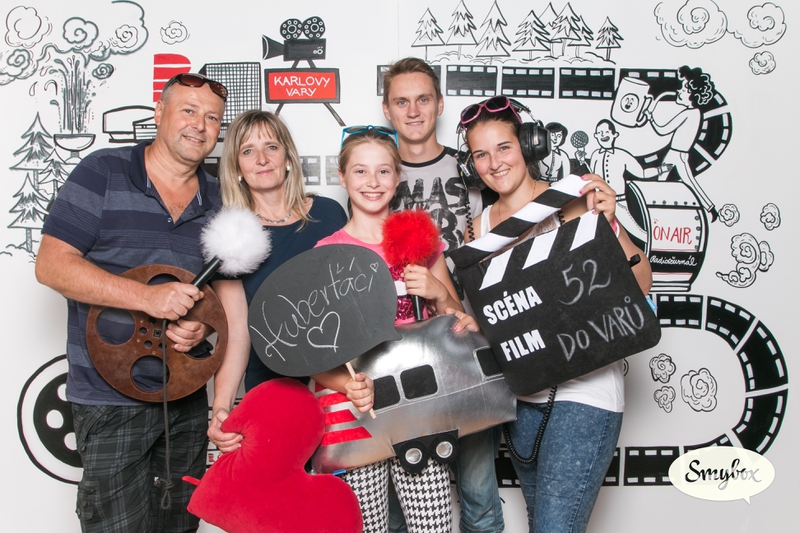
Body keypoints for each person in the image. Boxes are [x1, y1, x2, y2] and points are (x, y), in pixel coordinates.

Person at [35, 72, 228, 532]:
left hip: (184, 401)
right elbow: (52, 266)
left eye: (212, 118)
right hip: (109, 399)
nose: (199, 126)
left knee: (179, 525)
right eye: (188, 111)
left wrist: (200, 327)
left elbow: (217, 298)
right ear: (159, 113)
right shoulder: (103, 172)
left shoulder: (218, 200)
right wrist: (146, 298)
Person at [459, 96, 652, 533]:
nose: (494, 163)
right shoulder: (479, 229)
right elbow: (493, 319)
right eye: (481, 154)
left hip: (586, 391)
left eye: (504, 147)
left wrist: (611, 224)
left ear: (528, 145)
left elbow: (640, 283)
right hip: (523, 399)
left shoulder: (572, 201)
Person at [315, 127, 477, 533]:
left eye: (383, 171)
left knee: (431, 526)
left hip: (419, 403)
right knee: (363, 525)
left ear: (398, 177)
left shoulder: (421, 241)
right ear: (342, 176)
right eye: (360, 171)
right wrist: (345, 385)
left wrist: (440, 292)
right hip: (355, 409)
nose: (372, 182)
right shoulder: (326, 253)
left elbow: (457, 323)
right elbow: (312, 352)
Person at [382, 56, 504, 533]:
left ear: (439, 104)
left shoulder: (474, 167)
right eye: (401, 102)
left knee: (478, 491)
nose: (413, 111)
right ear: (387, 110)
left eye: (423, 99)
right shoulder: (378, 173)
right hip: (399, 356)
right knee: (400, 502)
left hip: (467, 345)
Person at [205, 110, 360, 455]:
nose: (262, 159)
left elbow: (353, 304)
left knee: (339, 485)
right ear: (236, 167)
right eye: (248, 151)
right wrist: (221, 407)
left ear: (288, 157)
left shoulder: (329, 215)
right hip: (273, 390)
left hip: (340, 387)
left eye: (271, 147)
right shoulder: (231, 237)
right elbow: (237, 332)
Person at [644, 65, 718, 221]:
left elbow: (663, 130)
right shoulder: (695, 113)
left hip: (677, 154)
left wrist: (650, 117)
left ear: (692, 95)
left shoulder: (689, 113)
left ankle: (658, 212)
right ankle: (709, 208)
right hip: (677, 154)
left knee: (679, 182)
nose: (679, 91)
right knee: (668, 181)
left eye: (684, 89)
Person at [589, 119, 672, 244]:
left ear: (614, 135)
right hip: (598, 204)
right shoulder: (595, 155)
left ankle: (655, 247)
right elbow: (592, 176)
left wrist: (661, 169)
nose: (603, 135)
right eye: (600, 133)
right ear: (595, 135)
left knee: (636, 233)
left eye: (606, 132)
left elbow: (642, 173)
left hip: (619, 203)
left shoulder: (622, 155)